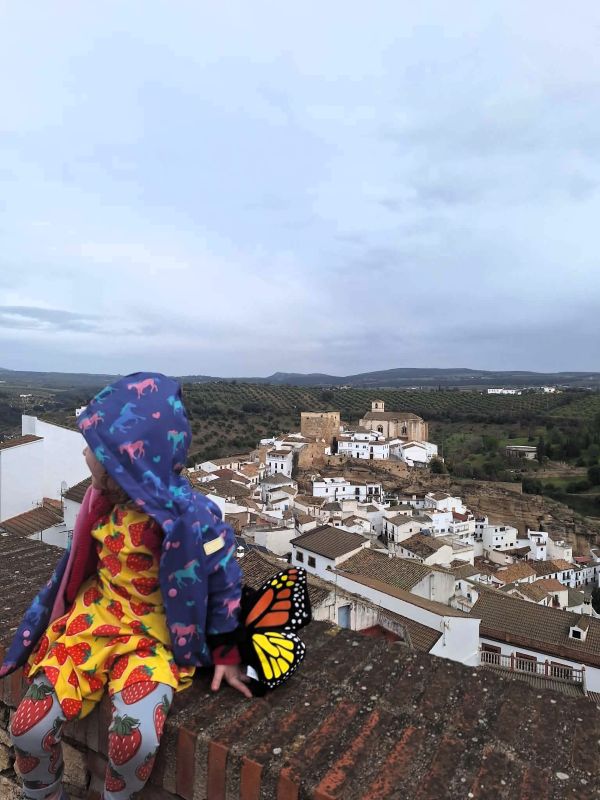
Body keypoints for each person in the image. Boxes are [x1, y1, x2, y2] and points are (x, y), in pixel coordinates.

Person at [1, 372, 251, 800]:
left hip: (154, 640)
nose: (83, 453)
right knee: (27, 727)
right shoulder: (101, 502)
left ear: (126, 463)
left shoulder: (193, 518)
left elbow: (225, 580)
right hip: (94, 620)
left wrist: (226, 651)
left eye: (94, 449)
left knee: (133, 743)